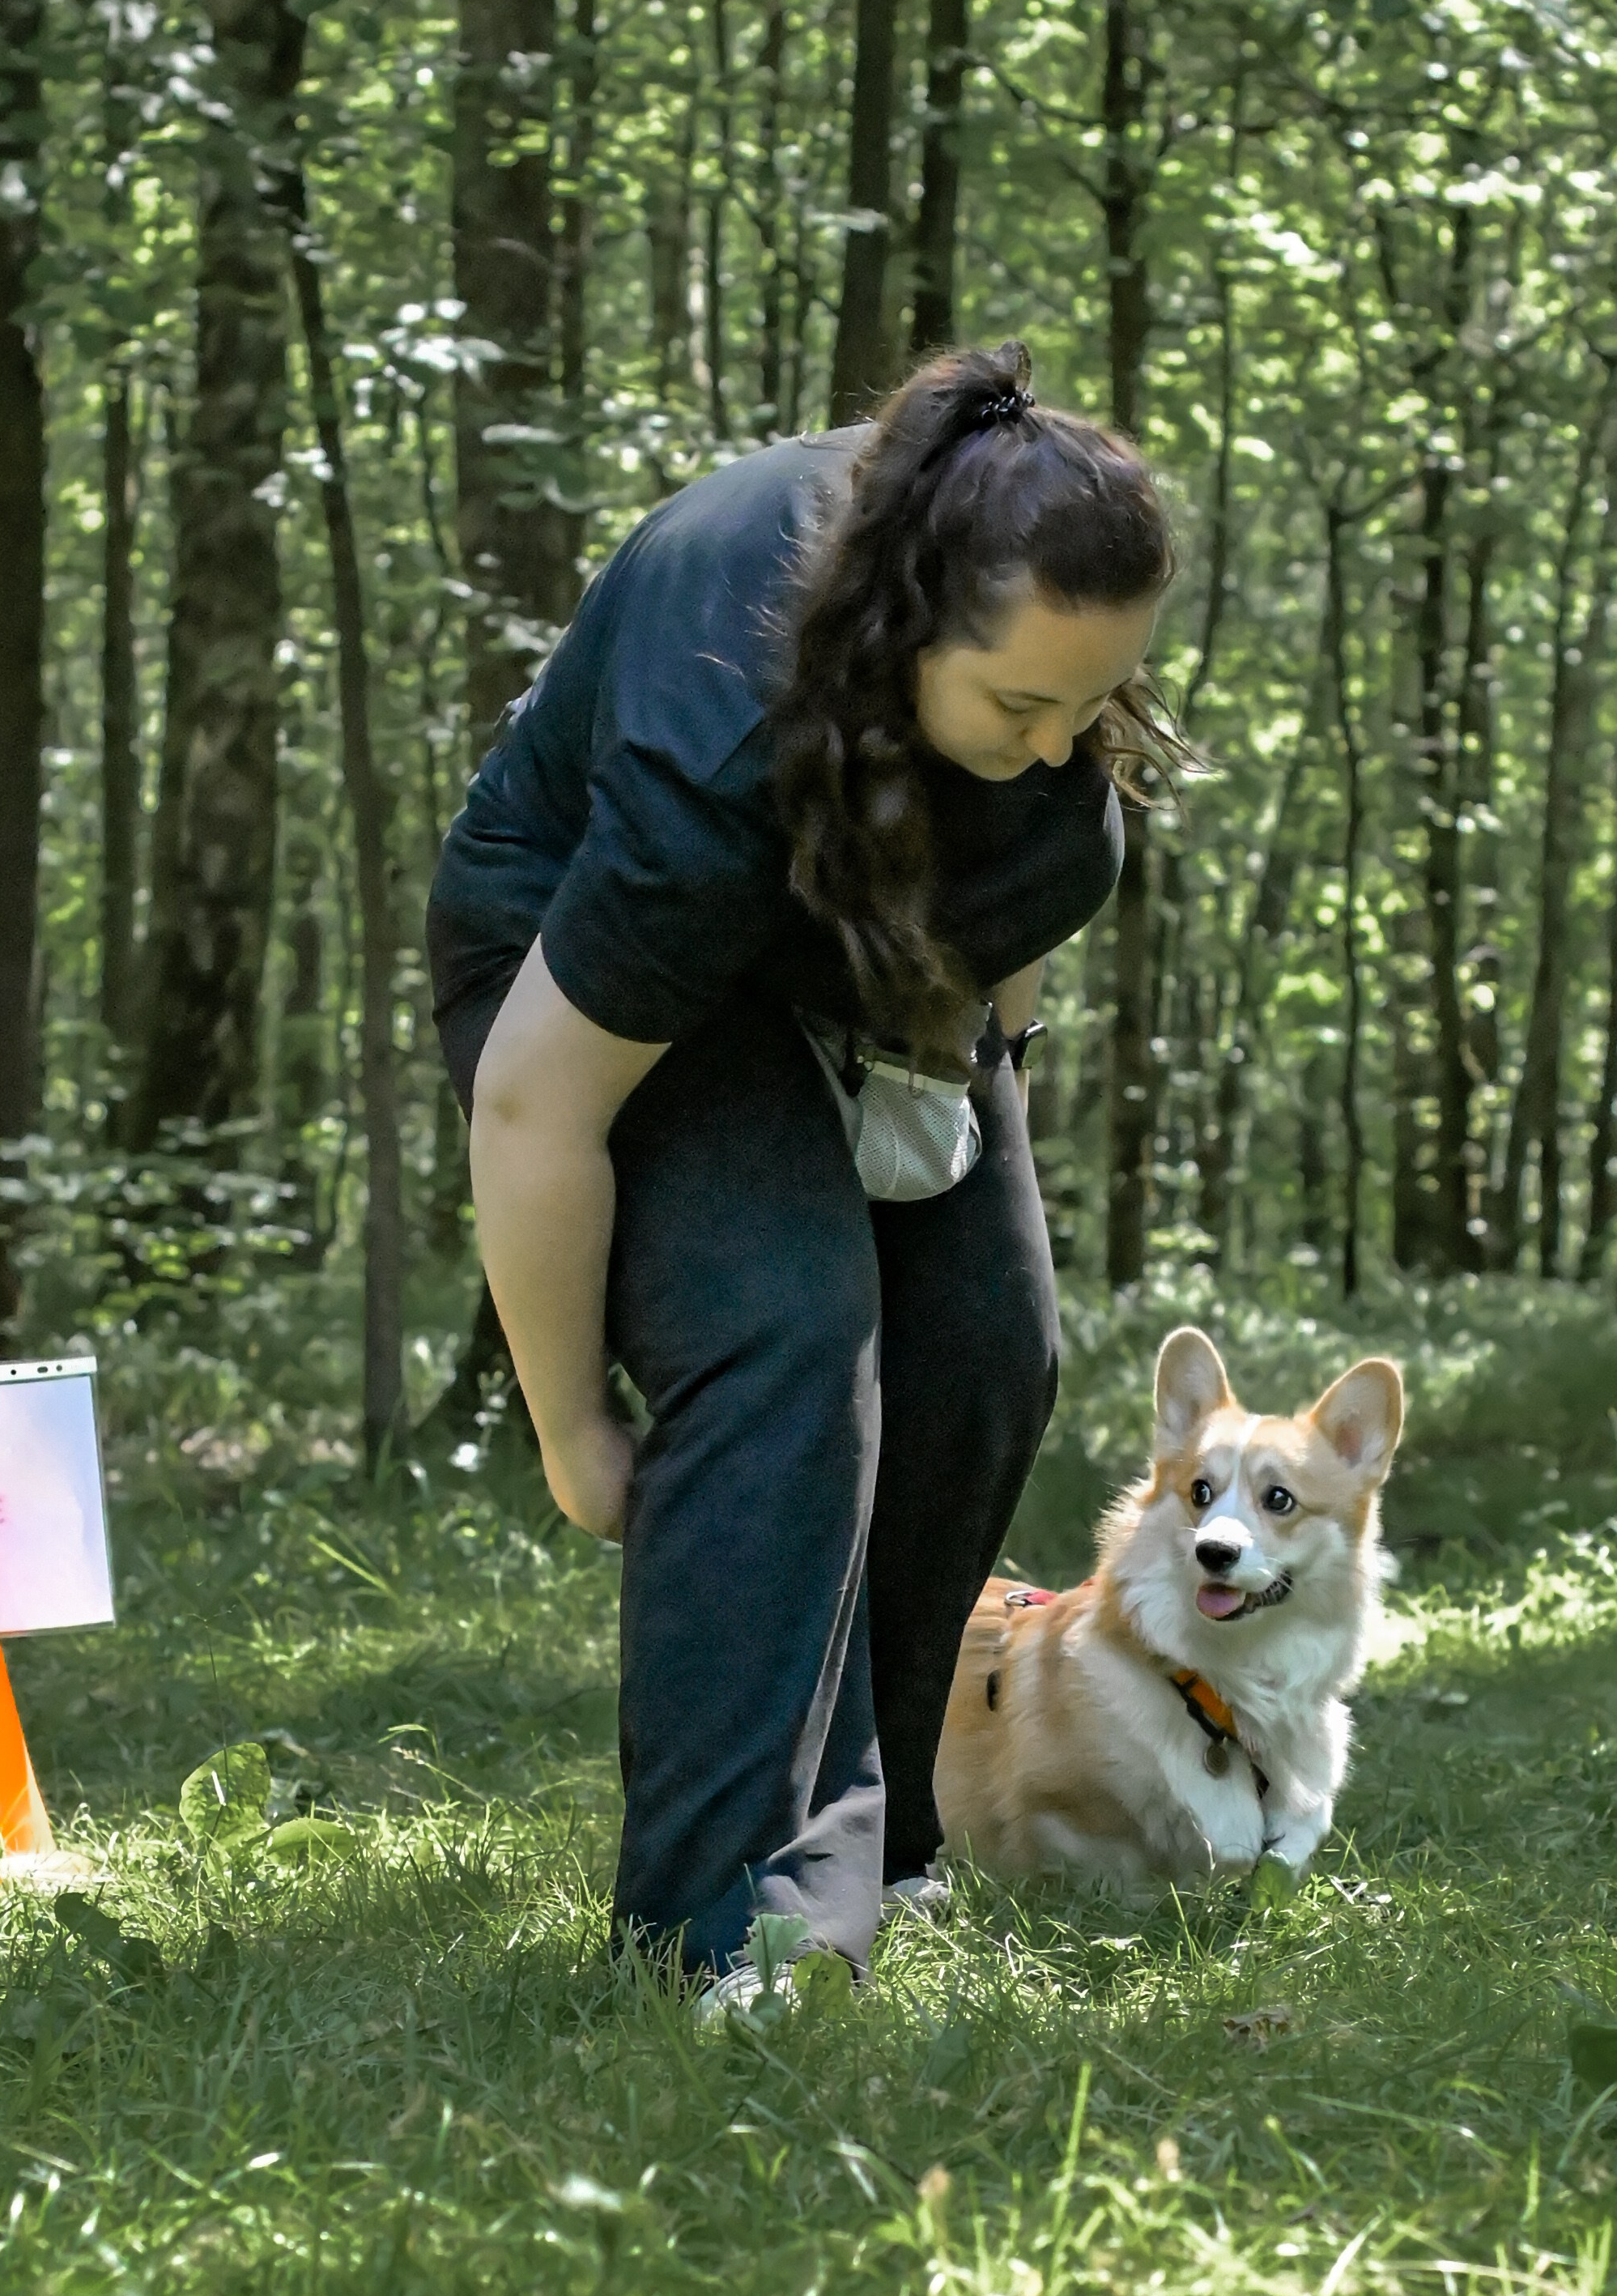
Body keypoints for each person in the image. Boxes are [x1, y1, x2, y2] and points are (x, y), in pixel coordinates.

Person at [426, 341, 1177, 2007]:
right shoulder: (714, 760)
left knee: (990, 1341)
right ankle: (730, 1922)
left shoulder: (1025, 727)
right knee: (782, 1323)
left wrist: (970, 1115)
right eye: (1018, 706)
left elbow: (1012, 960)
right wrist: (569, 1426)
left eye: (1093, 703)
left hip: (856, 942)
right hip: (578, 959)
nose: (1061, 748)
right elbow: (533, 1111)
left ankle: (888, 1836)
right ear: (907, 631)